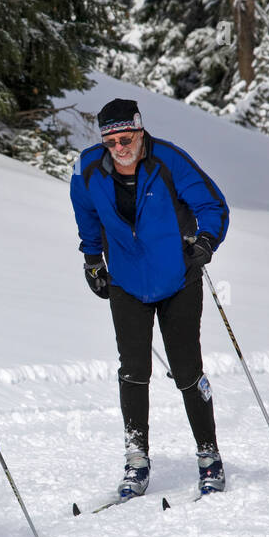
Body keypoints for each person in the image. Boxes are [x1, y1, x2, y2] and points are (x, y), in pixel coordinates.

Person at [69, 98, 230, 498]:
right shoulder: (87, 169)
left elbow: (213, 204)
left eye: (126, 138)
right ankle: (136, 460)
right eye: (111, 141)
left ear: (140, 132)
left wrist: (206, 242)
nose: (120, 148)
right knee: (134, 370)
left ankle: (209, 457)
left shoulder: (170, 160)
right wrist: (92, 261)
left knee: (187, 368)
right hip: (126, 282)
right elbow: (86, 217)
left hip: (179, 278)